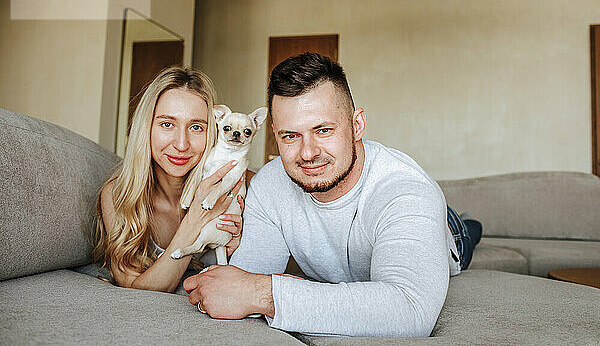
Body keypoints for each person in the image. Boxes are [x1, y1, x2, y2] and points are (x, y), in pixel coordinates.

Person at [182, 53, 478, 337]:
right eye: (290, 136)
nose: (308, 153)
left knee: (465, 230)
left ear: (357, 125)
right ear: (274, 133)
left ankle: (468, 226)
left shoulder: (408, 191)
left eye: (323, 130)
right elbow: (240, 282)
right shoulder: (270, 183)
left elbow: (410, 309)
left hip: (449, 236)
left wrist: (264, 293)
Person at [93, 66, 248, 294]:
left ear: (212, 132)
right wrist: (195, 219)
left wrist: (239, 251)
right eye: (167, 124)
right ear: (147, 127)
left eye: (196, 127)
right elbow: (138, 290)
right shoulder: (118, 196)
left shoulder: (239, 185)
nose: (181, 144)